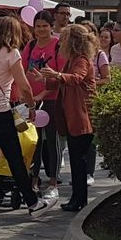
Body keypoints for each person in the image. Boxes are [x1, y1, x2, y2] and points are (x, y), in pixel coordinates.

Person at [0, 16, 57, 218]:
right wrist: (31, 105)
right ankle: (33, 204)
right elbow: (23, 85)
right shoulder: (11, 53)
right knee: (14, 157)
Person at [41, 23, 99, 212]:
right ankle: (77, 198)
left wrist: (56, 75)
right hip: (72, 114)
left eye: (64, 39)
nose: (60, 43)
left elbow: (75, 78)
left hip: (80, 116)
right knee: (76, 159)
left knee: (78, 159)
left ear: (72, 42)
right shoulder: (73, 59)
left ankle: (79, 199)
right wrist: (45, 78)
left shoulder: (81, 60)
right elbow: (63, 81)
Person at [22, 11, 62, 191]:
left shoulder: (58, 45)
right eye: (38, 26)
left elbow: (60, 77)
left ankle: (53, 179)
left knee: (52, 140)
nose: (41, 29)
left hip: (52, 100)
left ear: (51, 26)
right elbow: (22, 71)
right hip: (32, 101)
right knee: (33, 141)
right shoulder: (30, 46)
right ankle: (34, 178)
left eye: (45, 26)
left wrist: (42, 95)